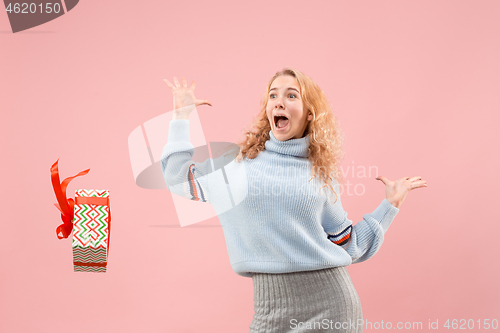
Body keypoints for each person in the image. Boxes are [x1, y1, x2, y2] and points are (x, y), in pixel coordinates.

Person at [161, 68, 427, 333]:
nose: (279, 101)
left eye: (291, 95)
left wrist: (389, 205)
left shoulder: (321, 174)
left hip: (332, 307)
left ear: (309, 113)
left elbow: (347, 244)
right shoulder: (237, 166)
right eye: (273, 95)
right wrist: (180, 118)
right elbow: (179, 179)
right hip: (269, 310)